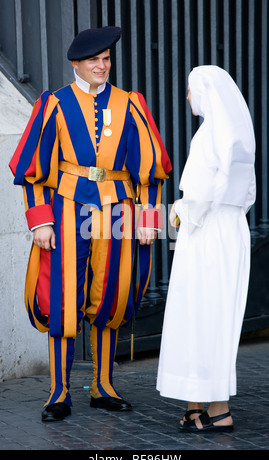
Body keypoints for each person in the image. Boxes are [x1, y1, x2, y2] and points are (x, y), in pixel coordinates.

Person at [9, 26, 171, 421]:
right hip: (67, 210)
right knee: (65, 300)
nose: (102, 66)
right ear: (75, 64)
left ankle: (103, 386)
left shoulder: (130, 103)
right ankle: (59, 393)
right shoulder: (53, 104)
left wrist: (150, 220)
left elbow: (150, 171)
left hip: (117, 210)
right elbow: (32, 171)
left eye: (106, 59)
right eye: (94, 60)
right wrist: (39, 222)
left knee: (111, 297)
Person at [156, 65, 256, 432]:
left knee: (198, 315)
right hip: (232, 231)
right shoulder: (239, 136)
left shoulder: (209, 136)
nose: (187, 97)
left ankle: (214, 409)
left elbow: (197, 199)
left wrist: (175, 214)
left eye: (190, 90)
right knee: (217, 318)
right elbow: (244, 194)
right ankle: (204, 406)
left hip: (207, 234)